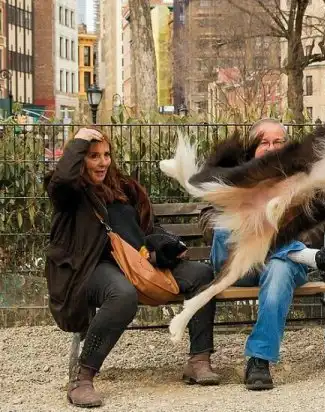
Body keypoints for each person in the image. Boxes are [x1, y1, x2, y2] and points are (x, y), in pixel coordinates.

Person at [44, 128, 219, 408]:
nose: (103, 162)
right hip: (93, 267)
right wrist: (79, 139)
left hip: (139, 263)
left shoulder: (123, 188)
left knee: (203, 275)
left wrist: (162, 248)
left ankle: (199, 360)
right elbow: (61, 181)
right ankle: (82, 378)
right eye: (93, 156)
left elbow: (147, 229)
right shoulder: (70, 192)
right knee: (122, 294)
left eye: (106, 155)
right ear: (78, 158)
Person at [200, 119, 325, 390]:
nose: (271, 148)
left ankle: (259, 361)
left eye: (278, 142)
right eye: (264, 143)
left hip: (280, 265)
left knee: (280, 269)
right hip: (237, 264)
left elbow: (316, 224)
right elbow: (207, 221)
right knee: (229, 224)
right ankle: (307, 256)